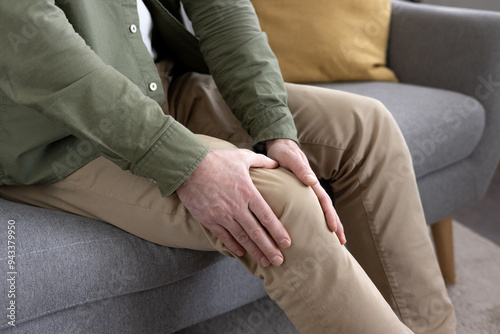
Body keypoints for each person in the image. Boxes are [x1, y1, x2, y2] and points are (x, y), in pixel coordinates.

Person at [0, 0, 456, 333]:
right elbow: (37, 51)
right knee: (279, 203)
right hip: (61, 132)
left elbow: (220, 7)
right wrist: (185, 162)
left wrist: (274, 125)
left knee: (366, 127)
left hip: (158, 81)